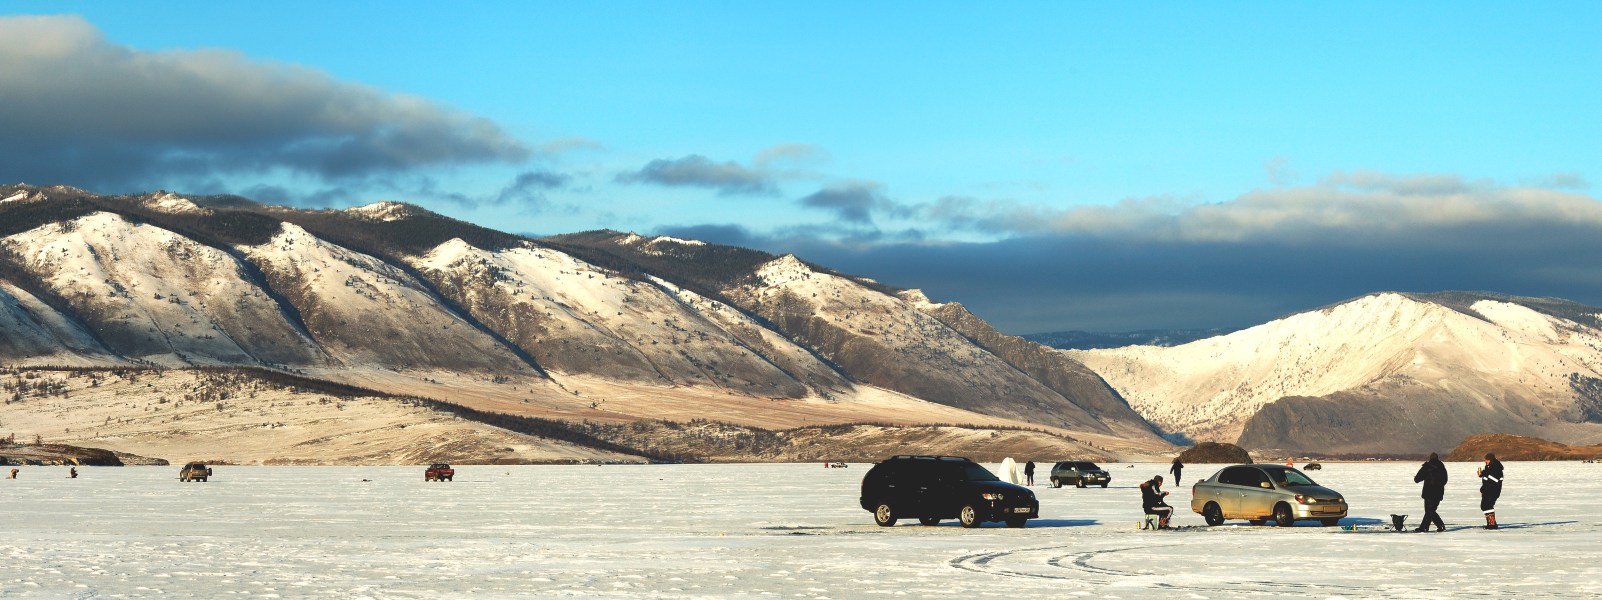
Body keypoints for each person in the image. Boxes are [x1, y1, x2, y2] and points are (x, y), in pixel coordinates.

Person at [1413, 452, 1448, 532]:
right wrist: (1439, 485)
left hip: (1429, 492)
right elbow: (1445, 480)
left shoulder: (1427, 466)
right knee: (1430, 511)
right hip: (1439, 492)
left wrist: (1417, 478)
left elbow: (1417, 478)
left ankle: (1436, 525)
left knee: (1430, 511)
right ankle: (1426, 527)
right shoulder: (1442, 467)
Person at [1477, 453, 1504, 530]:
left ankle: (1492, 525)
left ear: (1491, 460)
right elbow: (1487, 477)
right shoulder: (1488, 467)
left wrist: (1485, 473)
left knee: (1487, 506)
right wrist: (1482, 475)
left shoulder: (1496, 467)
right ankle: (1491, 523)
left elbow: (1495, 479)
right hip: (1487, 490)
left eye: (1487, 460)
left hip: (1493, 491)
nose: (1485, 461)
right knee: (1484, 506)